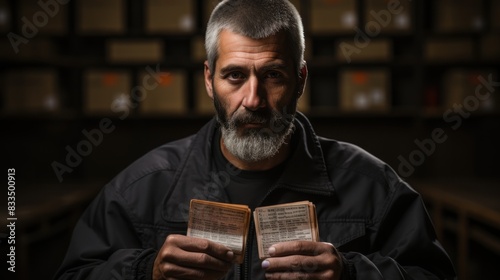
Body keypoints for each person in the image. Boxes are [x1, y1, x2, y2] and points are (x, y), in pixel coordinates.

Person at [55, 0, 456, 279]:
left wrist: (351, 274)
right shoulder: (139, 189)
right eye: (235, 76)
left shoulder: (373, 186)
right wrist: (147, 271)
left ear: (300, 79)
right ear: (209, 80)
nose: (253, 100)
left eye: (273, 75)